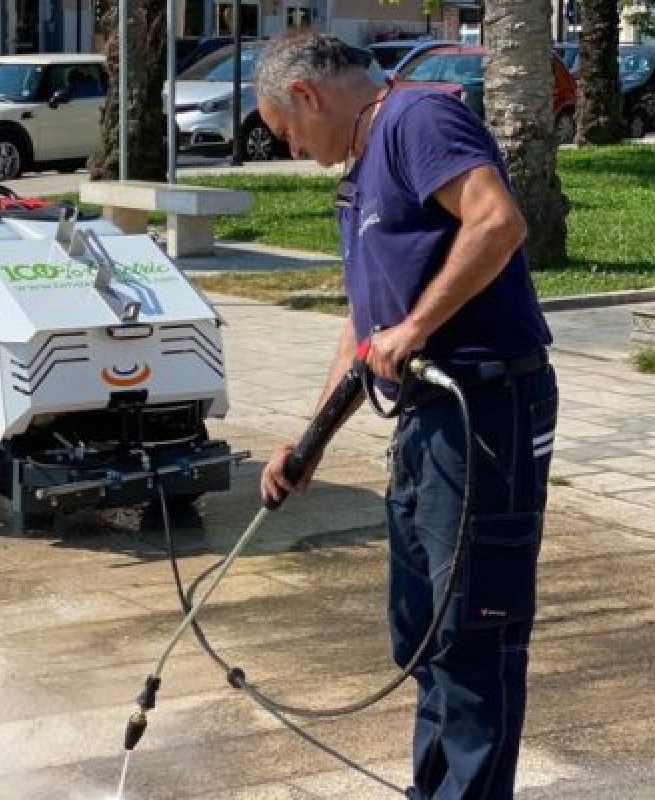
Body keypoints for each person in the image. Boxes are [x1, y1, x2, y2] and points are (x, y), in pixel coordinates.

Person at [254, 31, 558, 800]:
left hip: (485, 407)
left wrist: (416, 328)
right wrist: (310, 444)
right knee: (421, 632)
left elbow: (497, 221)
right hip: (426, 421)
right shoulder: (361, 174)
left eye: (288, 136)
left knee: (472, 635)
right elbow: (365, 329)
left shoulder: (418, 122)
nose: (295, 154)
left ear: (307, 96)